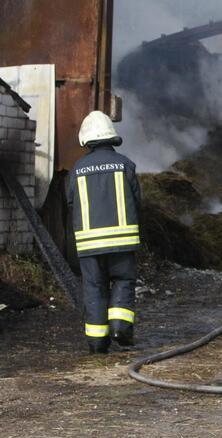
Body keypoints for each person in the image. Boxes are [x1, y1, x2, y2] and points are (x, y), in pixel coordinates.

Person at [67, 111, 142, 354]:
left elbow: (70, 203)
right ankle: (120, 327)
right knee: (122, 280)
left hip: (89, 246)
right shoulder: (125, 165)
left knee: (94, 288)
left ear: (86, 140)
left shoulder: (76, 170)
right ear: (112, 137)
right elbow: (137, 201)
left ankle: (98, 343)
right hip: (123, 242)